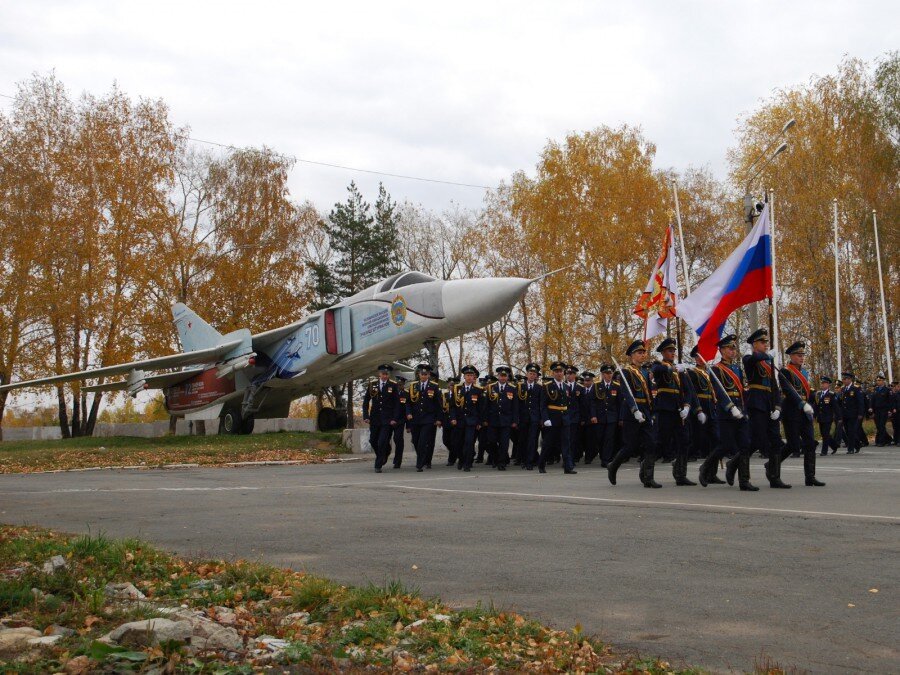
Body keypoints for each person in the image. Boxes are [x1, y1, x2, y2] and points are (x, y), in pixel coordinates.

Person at [697, 335, 758, 490]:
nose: (732, 351)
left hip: (740, 411)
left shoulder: (737, 368)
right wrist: (730, 407)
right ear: (722, 350)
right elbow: (719, 392)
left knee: (745, 445)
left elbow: (741, 391)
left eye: (734, 348)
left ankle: (744, 481)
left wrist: (744, 409)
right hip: (726, 413)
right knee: (726, 445)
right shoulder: (716, 369)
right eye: (729, 348)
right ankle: (705, 467)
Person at [608, 340, 660, 488]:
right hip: (632, 412)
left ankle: (648, 477)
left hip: (645, 410)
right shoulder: (626, 372)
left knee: (651, 443)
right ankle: (614, 465)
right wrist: (635, 410)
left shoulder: (645, 372)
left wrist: (651, 411)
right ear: (632, 355)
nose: (643, 355)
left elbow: (650, 394)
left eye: (644, 352)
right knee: (630, 446)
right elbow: (627, 393)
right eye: (639, 353)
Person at [743, 328, 790, 488]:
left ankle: (774, 476)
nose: (765, 345)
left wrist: (778, 406)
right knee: (756, 441)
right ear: (754, 344)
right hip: (757, 404)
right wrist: (767, 355)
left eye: (766, 342)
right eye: (762, 342)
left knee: (776, 441)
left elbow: (775, 387)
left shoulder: (768, 364)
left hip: (770, 405)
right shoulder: (749, 358)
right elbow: (755, 358)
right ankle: (737, 466)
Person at [776, 342, 825, 486]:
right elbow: (789, 391)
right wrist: (801, 404)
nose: (801, 358)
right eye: (798, 355)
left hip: (805, 412)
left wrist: (812, 403)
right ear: (791, 356)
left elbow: (807, 392)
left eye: (803, 355)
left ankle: (810, 477)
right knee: (792, 445)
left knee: (810, 442)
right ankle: (772, 465)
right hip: (792, 410)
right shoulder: (785, 371)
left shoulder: (804, 372)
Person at [650, 338, 696, 486]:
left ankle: (680, 474)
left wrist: (687, 406)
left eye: (673, 351)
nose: (672, 353)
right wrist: (673, 369)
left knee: (684, 441)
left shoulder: (679, 370)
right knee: (659, 441)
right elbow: (657, 371)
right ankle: (647, 472)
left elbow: (689, 390)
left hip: (679, 410)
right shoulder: (659, 365)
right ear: (663, 352)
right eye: (670, 351)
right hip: (665, 408)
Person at [539, 361, 577, 474]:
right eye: (556, 371)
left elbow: (568, 404)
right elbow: (543, 405)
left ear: (564, 373)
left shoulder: (566, 386)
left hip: (564, 419)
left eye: (561, 371)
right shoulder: (547, 386)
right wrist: (545, 419)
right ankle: (541, 464)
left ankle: (568, 467)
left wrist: (569, 417)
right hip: (552, 419)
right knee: (548, 444)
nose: (559, 373)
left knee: (566, 444)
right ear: (553, 373)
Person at [361, 365, 401, 473]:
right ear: (379, 374)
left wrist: (394, 418)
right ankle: (385, 452)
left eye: (387, 374)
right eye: (383, 374)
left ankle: (378, 465)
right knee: (373, 440)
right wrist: (366, 416)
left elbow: (397, 404)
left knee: (382, 441)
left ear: (389, 375)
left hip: (387, 419)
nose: (385, 376)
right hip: (375, 418)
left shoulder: (393, 385)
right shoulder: (372, 385)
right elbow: (365, 402)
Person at [406, 363, 443, 472]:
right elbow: (408, 403)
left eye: (426, 374)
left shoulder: (434, 386)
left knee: (422, 441)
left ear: (429, 375)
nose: (423, 376)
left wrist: (438, 419)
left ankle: (420, 464)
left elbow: (438, 405)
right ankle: (424, 458)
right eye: (422, 374)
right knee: (416, 441)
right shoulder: (413, 386)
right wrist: (408, 413)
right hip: (415, 419)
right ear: (419, 374)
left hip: (428, 419)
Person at [450, 365, 486, 472]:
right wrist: (453, 417)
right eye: (467, 375)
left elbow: (481, 408)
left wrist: (480, 422)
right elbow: (452, 405)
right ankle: (461, 459)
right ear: (464, 376)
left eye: (471, 375)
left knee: (469, 442)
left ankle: (467, 463)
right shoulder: (457, 389)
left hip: (472, 421)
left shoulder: (478, 390)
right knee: (458, 443)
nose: (469, 377)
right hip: (459, 420)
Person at [686, 345, 717, 465]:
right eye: (699, 356)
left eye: (703, 355)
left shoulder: (708, 372)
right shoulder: (692, 372)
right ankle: (686, 456)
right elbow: (692, 392)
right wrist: (697, 409)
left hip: (710, 405)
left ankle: (711, 460)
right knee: (698, 436)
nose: (702, 358)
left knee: (714, 435)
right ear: (695, 358)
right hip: (700, 405)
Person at [486, 366, 519, 471]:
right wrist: (485, 419)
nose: (503, 378)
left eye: (505, 376)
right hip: (493, 420)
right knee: (491, 441)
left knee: (504, 443)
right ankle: (496, 458)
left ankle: (501, 463)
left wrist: (514, 421)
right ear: (498, 376)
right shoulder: (490, 387)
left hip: (506, 421)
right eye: (501, 375)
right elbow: (486, 405)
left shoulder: (512, 388)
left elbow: (515, 407)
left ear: (508, 377)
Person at [594, 364, 621, 467]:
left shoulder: (617, 386)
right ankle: (602, 456)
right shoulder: (596, 385)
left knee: (609, 439)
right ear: (602, 374)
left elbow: (619, 404)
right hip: (599, 417)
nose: (608, 375)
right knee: (599, 438)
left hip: (612, 417)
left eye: (610, 373)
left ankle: (606, 460)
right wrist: (593, 415)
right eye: (606, 373)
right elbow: (592, 402)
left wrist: (620, 418)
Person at [520, 363, 543, 470]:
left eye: (534, 374)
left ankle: (530, 462)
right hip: (523, 418)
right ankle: (524, 460)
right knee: (523, 440)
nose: (532, 375)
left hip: (535, 419)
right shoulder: (520, 386)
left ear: (536, 376)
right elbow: (517, 404)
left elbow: (541, 404)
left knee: (532, 440)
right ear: (527, 374)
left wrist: (541, 419)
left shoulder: (539, 388)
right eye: (530, 373)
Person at [839, 371, 865, 453]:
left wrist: (861, 413)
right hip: (845, 414)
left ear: (850, 379)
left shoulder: (856, 389)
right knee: (847, 431)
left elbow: (860, 402)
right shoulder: (843, 389)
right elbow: (842, 402)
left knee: (851, 431)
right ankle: (857, 444)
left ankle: (850, 449)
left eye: (845, 379)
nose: (844, 381)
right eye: (843, 379)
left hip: (853, 414)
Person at [814, 376, 840, 455]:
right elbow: (816, 406)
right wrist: (814, 415)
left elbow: (836, 407)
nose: (822, 385)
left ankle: (824, 451)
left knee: (825, 435)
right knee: (824, 434)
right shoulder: (818, 394)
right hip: (821, 418)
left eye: (824, 383)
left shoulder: (831, 394)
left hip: (828, 417)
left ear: (828, 385)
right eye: (821, 383)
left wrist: (839, 417)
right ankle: (834, 445)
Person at [580, 371, 601, 464]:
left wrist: (594, 416)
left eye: (588, 380)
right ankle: (588, 456)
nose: (586, 382)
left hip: (594, 418)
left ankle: (591, 455)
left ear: (592, 381)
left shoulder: (596, 390)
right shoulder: (582, 390)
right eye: (585, 380)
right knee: (585, 439)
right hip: (584, 419)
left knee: (592, 439)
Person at [390, 375, 409, 468]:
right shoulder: (390, 392)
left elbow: (408, 409)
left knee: (398, 439)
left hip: (400, 421)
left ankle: (398, 460)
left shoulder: (406, 394)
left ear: (403, 385)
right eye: (397, 384)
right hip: (389, 419)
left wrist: (408, 425)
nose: (399, 386)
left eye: (400, 384)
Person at [870, 374, 892, 446]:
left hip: (884, 410)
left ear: (883, 381)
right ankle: (888, 439)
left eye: (879, 380)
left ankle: (881, 441)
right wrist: (871, 408)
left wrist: (889, 410)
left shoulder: (887, 390)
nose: (878, 382)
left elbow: (890, 401)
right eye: (877, 380)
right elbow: (872, 400)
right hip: (876, 410)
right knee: (878, 426)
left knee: (881, 425)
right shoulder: (875, 389)